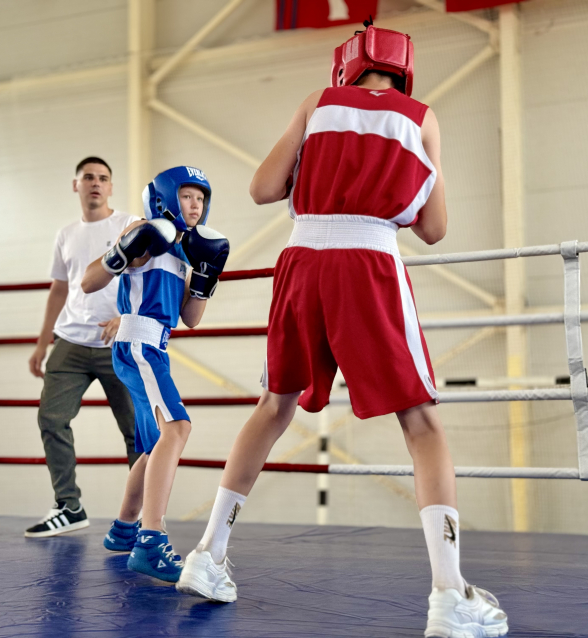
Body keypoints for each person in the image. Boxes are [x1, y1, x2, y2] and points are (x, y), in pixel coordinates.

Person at [175, 22, 509, 638]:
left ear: (346, 66)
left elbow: (262, 189)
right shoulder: (422, 117)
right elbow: (434, 229)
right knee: (422, 422)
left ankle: (207, 556)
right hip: (369, 260)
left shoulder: (316, 102)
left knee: (273, 406)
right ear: (404, 70)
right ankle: (448, 595)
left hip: (301, 261)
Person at [80, 166, 230, 583]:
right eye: (187, 196)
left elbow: (191, 317)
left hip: (153, 347)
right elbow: (90, 283)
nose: (196, 204)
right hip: (139, 343)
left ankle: (125, 528)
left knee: (152, 446)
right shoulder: (143, 230)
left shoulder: (187, 250)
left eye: (201, 198)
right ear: (165, 197)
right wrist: (126, 248)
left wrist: (206, 276)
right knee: (177, 429)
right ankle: (150, 541)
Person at [24, 157, 140, 538]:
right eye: (88, 177)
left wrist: (128, 318)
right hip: (70, 341)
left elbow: (147, 277)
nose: (95, 183)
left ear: (111, 187)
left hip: (117, 342)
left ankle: (141, 517)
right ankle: (69, 506)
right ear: (76, 185)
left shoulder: (128, 224)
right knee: (51, 419)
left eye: (103, 178)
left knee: (136, 431)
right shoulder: (66, 234)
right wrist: (43, 341)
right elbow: (60, 288)